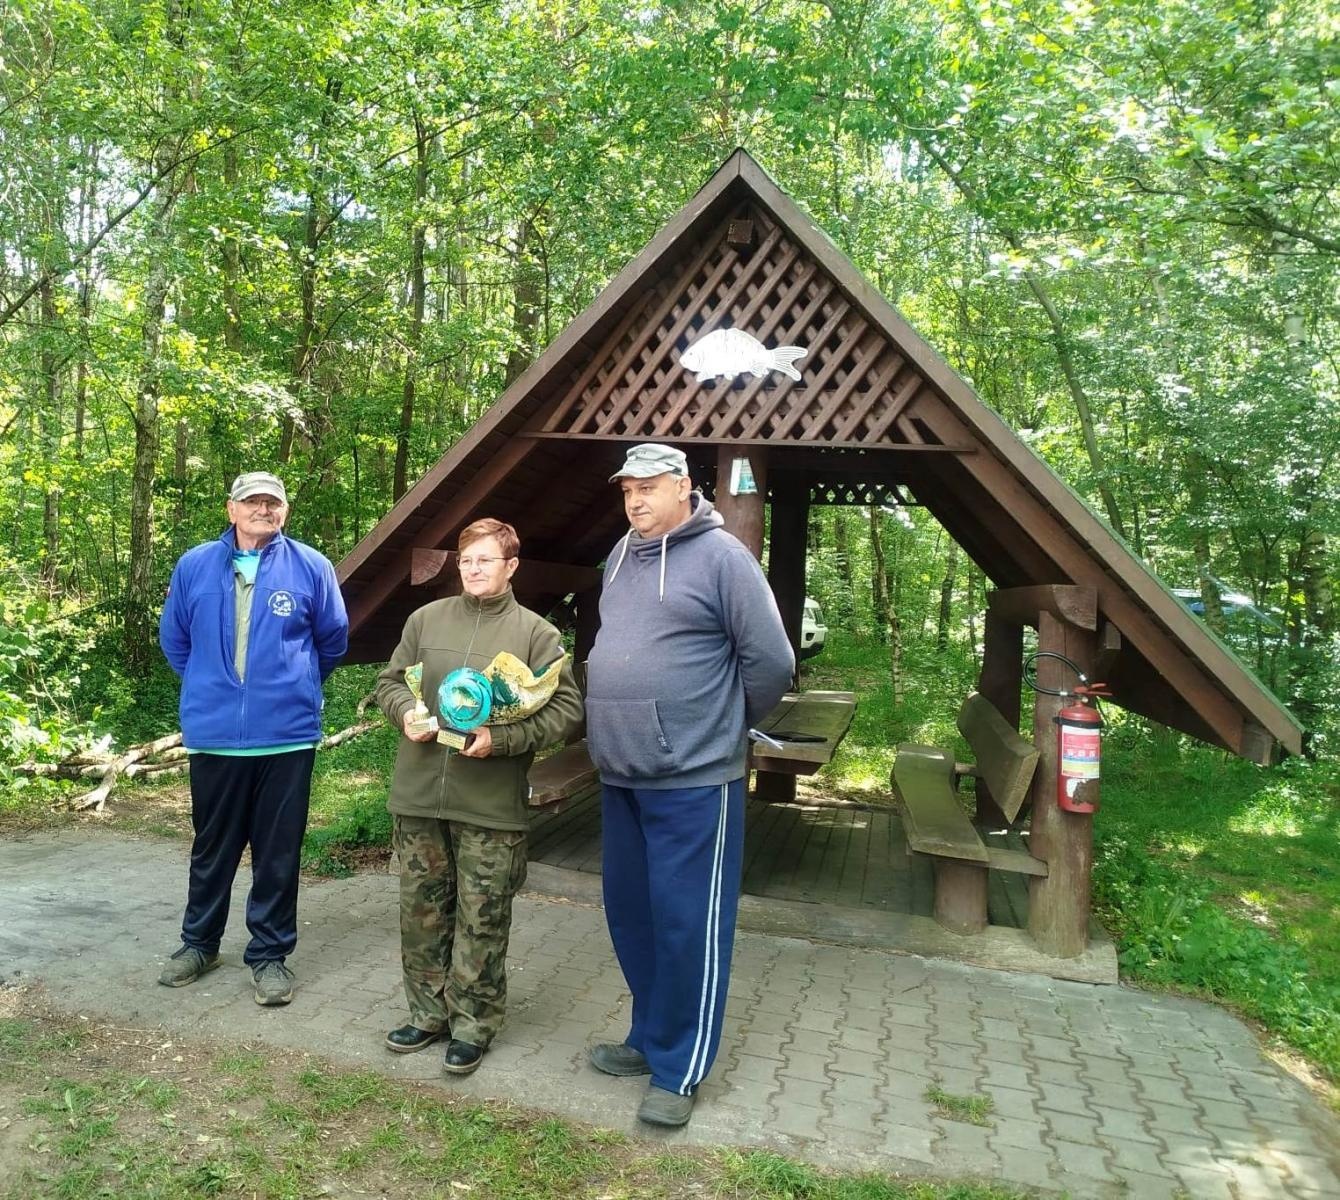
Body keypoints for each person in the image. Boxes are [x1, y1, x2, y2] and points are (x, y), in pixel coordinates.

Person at [584, 443, 794, 1127]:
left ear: (682, 487)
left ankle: (682, 1067)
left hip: (694, 778)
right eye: (627, 490)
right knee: (634, 917)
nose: (635, 500)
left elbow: (770, 662)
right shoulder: (620, 555)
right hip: (620, 773)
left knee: (689, 927)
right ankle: (649, 1038)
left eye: (648, 487)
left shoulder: (724, 558)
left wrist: (718, 727)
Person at [374, 518, 583, 1076]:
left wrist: (505, 737)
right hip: (419, 796)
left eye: (485, 560)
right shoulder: (426, 620)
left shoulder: (536, 634)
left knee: (482, 917)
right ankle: (425, 1014)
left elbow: (566, 709)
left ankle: (472, 1024)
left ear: (511, 566)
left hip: (490, 804)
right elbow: (391, 682)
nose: (473, 570)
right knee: (421, 912)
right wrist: (405, 713)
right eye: (466, 560)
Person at [158, 471, 348, 1006]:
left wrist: (294, 686)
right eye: (252, 501)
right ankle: (199, 944)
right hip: (215, 737)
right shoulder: (195, 565)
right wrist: (209, 685)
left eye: (272, 502)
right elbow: (175, 640)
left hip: (285, 739)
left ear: (284, 511)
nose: (262, 509)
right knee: (212, 848)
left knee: (278, 853)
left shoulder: (312, 566)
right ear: (232, 508)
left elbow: (331, 641)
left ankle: (268, 956)